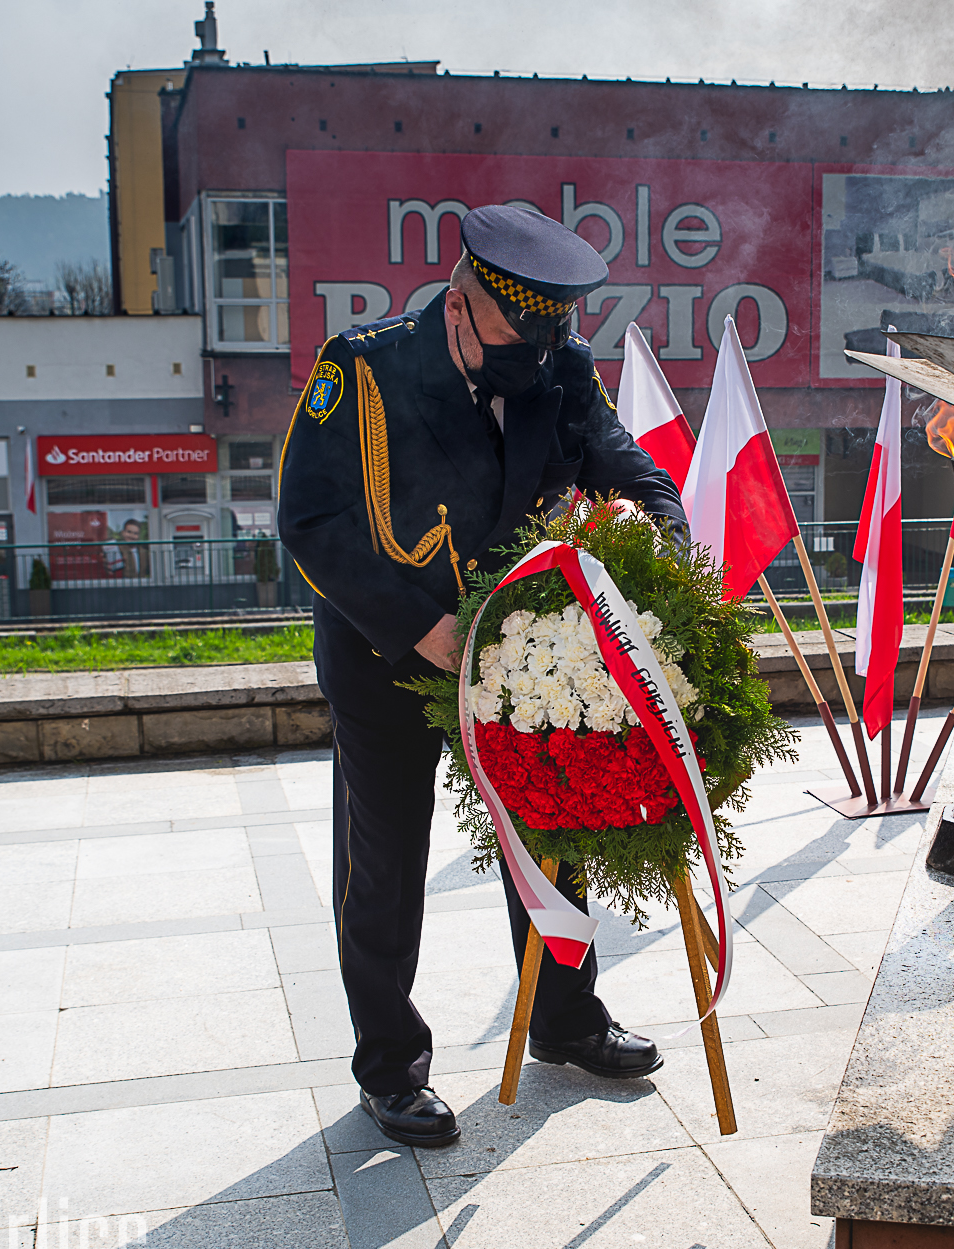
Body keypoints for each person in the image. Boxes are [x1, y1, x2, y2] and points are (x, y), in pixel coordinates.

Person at [278, 205, 689, 1149]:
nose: (539, 353)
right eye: (522, 329)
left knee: (552, 836)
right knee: (385, 862)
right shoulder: (365, 366)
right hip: (387, 656)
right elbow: (311, 523)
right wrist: (423, 628)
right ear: (462, 301)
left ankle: (566, 1019)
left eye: (555, 331)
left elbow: (640, 475)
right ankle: (390, 1064)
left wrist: (654, 542)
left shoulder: (558, 366)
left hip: (514, 661)